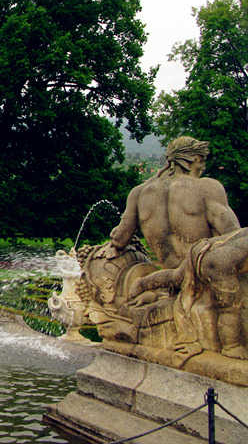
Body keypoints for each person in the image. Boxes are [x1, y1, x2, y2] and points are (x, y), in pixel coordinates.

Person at [97, 136, 240, 269]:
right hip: (203, 277)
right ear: (191, 159)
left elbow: (120, 240)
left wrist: (112, 240)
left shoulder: (139, 193)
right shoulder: (206, 188)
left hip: (168, 278)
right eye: (201, 161)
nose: (203, 168)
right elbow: (236, 237)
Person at [128, 227, 248, 362]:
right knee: (231, 309)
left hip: (204, 249)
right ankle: (231, 346)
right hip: (218, 263)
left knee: (175, 276)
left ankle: (143, 283)